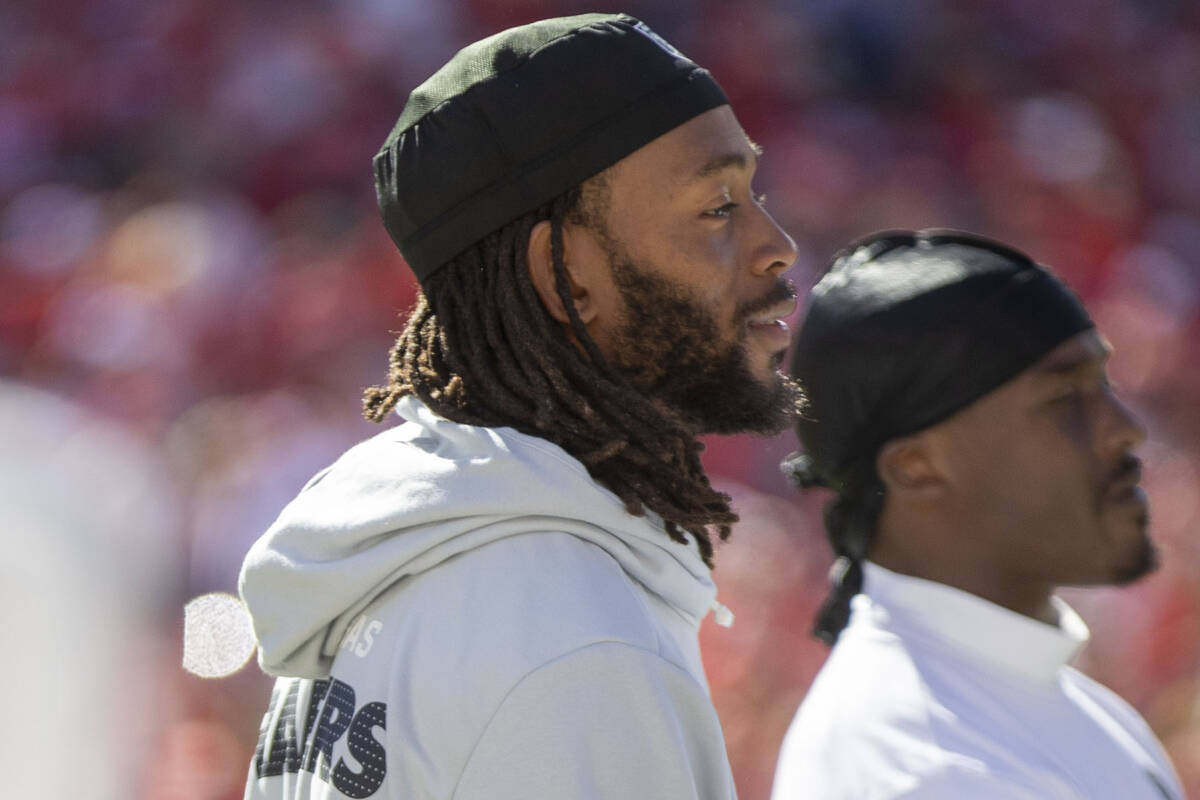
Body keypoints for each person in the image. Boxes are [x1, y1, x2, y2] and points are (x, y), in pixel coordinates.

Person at [239, 13, 802, 800]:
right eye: (717, 207)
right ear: (567, 275)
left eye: (755, 194)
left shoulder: (403, 562)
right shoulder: (578, 646)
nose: (777, 244)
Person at [771, 229, 1183, 799]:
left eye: (1104, 385)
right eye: (1064, 399)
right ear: (916, 466)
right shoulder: (923, 764)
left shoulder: (1083, 711)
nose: (1125, 430)